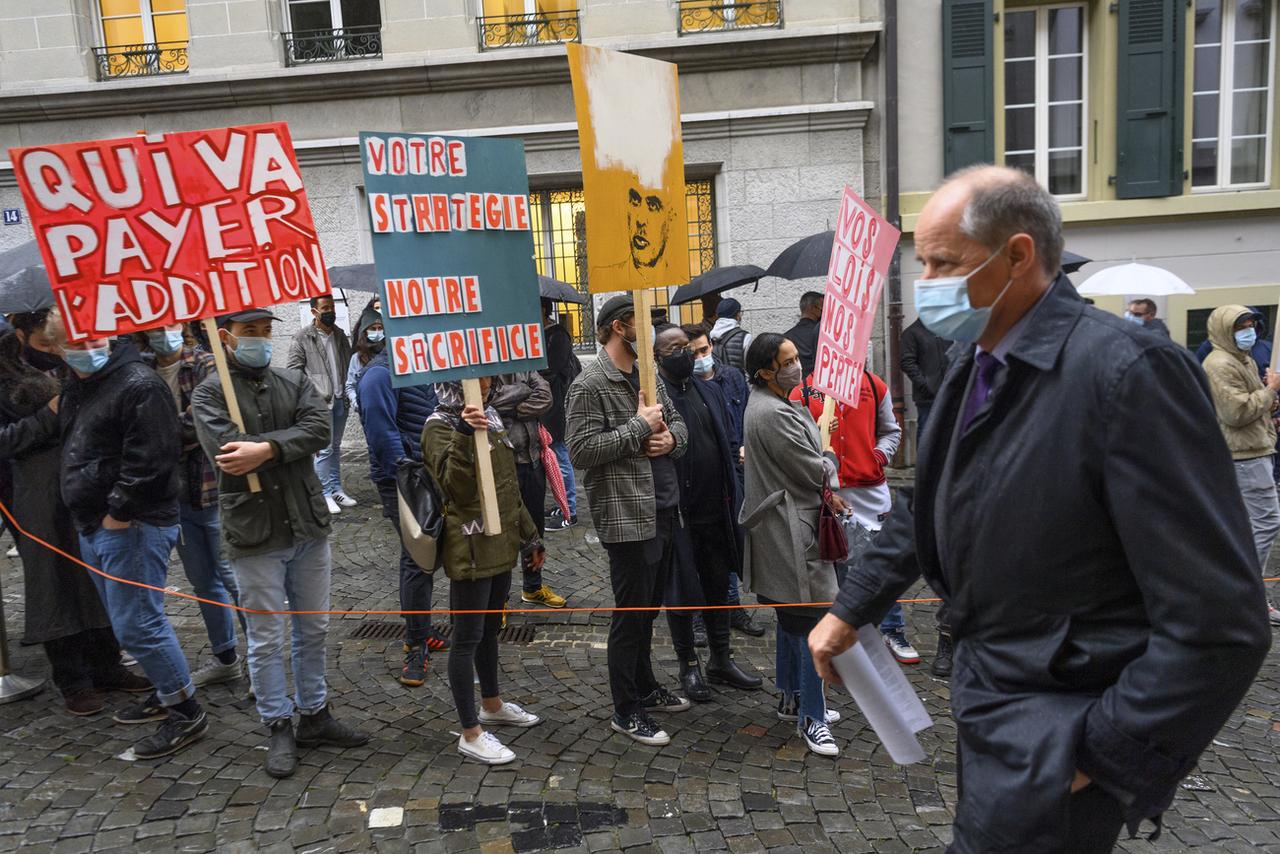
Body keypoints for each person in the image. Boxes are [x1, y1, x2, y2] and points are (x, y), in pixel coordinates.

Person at [808, 165, 1270, 851]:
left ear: (1018, 255)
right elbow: (929, 498)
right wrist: (853, 607)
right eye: (922, 261)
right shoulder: (975, 358)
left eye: (944, 262)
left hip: (1060, 726)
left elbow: (1221, 622)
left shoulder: (1126, 373)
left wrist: (1100, 758)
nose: (927, 282)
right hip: (994, 702)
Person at [194, 309, 369, 779]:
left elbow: (319, 430)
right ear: (227, 338)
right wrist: (274, 446)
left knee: (314, 628)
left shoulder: (291, 381)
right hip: (255, 532)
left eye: (267, 331)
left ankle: (315, 713)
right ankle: (277, 723)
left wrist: (266, 449)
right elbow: (229, 453)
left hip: (307, 523)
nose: (261, 340)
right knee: (267, 638)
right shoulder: (210, 392)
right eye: (251, 333)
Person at [56, 328, 208, 759]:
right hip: (96, 522)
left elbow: (153, 458)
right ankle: (167, 691)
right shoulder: (83, 384)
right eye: (73, 343)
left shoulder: (138, 384)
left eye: (92, 340)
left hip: (130, 523)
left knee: (139, 623)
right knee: (130, 619)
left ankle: (186, 710)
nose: (84, 350)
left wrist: (118, 512)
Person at [0, 311, 150, 717]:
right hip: (36, 493)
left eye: (59, 343)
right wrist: (48, 415)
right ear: (20, 335)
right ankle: (72, 678)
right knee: (55, 581)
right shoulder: (4, 376)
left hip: (90, 483)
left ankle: (108, 664)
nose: (55, 352)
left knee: (99, 573)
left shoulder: (79, 359)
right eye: (46, 345)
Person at [567, 295, 691, 747]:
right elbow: (581, 450)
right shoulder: (589, 384)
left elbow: (680, 426)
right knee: (631, 612)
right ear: (621, 327)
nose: (654, 337)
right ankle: (625, 709)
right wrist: (639, 428)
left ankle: (645, 686)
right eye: (645, 326)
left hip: (664, 505)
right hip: (625, 512)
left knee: (649, 608)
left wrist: (670, 440)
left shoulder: (648, 372)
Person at [423, 379, 544, 765]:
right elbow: (454, 486)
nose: (488, 384)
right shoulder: (438, 426)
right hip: (470, 547)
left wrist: (530, 537)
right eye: (478, 378)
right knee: (467, 637)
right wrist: (463, 431)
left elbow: (507, 488)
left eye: (490, 376)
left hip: (500, 543)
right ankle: (470, 731)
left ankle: (492, 704)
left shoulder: (492, 418)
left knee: (491, 628)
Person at [740, 333, 845, 757]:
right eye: (787, 360)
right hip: (793, 532)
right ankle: (812, 718)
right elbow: (811, 469)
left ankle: (791, 695)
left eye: (797, 357)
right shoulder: (772, 412)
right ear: (766, 371)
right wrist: (830, 458)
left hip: (787, 527)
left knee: (792, 619)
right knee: (811, 623)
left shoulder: (779, 403)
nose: (796, 365)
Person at [654, 325, 763, 702]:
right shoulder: (656, 401)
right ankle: (688, 665)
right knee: (682, 591)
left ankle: (721, 658)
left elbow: (728, 441)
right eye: (675, 349)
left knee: (719, 585)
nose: (686, 354)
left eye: (689, 346)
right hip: (679, 515)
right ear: (658, 357)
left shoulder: (710, 390)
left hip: (716, 508)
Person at [137, 323, 244, 688]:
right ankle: (226, 657)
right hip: (171, 495)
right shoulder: (141, 369)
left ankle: (263, 666)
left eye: (168, 323)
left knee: (235, 580)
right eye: (154, 325)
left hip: (212, 489)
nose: (162, 331)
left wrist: (154, 437)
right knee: (202, 581)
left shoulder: (206, 364)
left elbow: (205, 420)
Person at [790, 369, 915, 664]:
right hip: (832, 492)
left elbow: (891, 430)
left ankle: (893, 629)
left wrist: (878, 457)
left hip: (871, 491)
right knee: (839, 565)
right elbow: (795, 439)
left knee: (885, 561)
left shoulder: (874, 384)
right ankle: (848, 633)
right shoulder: (805, 391)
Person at [353, 305, 449, 689]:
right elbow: (381, 436)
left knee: (427, 556)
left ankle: (421, 630)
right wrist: (409, 474)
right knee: (417, 558)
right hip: (406, 480)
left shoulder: (416, 364)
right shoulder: (379, 373)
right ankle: (415, 643)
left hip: (428, 472)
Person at [1202, 304, 1280, 625]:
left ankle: (1239, 594)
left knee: (1245, 525)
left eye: (1251, 325)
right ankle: (1248, 596)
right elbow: (1236, 413)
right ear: (1224, 330)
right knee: (1267, 523)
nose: (1249, 331)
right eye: (1241, 326)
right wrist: (1270, 390)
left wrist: (1268, 396)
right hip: (1245, 454)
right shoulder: (1219, 364)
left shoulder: (1241, 358)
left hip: (1254, 448)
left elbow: (1253, 404)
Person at [686, 323, 763, 638]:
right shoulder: (684, 385)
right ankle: (699, 614)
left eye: (705, 350)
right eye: (694, 354)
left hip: (736, 468)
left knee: (732, 537)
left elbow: (748, 413)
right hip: (702, 476)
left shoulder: (731, 377)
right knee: (700, 548)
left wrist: (747, 444)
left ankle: (732, 606)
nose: (702, 358)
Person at [489, 372, 566, 608]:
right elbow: (488, 402)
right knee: (503, 533)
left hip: (532, 461)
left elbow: (545, 396)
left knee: (534, 527)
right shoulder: (486, 370)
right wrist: (524, 392)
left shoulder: (525, 366)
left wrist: (510, 407)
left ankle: (533, 587)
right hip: (503, 462)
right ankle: (498, 601)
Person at [288, 294, 355, 514]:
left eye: (332, 307)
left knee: (335, 447)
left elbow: (348, 363)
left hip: (340, 400)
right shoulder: (302, 338)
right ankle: (323, 493)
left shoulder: (339, 335)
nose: (330, 312)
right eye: (325, 308)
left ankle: (336, 488)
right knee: (324, 449)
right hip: (320, 403)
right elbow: (294, 372)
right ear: (314, 312)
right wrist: (310, 397)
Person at [539, 299, 581, 530]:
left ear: (543, 310)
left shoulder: (558, 336)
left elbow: (549, 368)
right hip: (548, 406)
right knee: (554, 456)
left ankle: (570, 511)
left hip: (556, 407)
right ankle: (561, 503)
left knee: (560, 457)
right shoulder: (545, 333)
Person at [899, 317, 952, 436]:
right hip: (928, 398)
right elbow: (907, 362)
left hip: (950, 392)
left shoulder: (947, 329)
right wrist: (926, 386)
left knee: (949, 434)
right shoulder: (912, 332)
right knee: (926, 433)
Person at [345, 311, 384, 415]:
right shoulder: (357, 358)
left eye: (380, 328)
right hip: (368, 410)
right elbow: (350, 386)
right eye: (373, 328)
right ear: (365, 331)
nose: (377, 332)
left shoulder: (389, 353)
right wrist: (358, 403)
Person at [782, 291, 824, 378]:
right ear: (812, 308)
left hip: (798, 387)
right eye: (823, 308)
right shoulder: (823, 334)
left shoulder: (786, 337)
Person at [709, 298, 752, 376]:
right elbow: (750, 368)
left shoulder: (710, 336)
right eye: (740, 312)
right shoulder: (745, 337)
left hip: (717, 384)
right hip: (738, 384)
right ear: (737, 315)